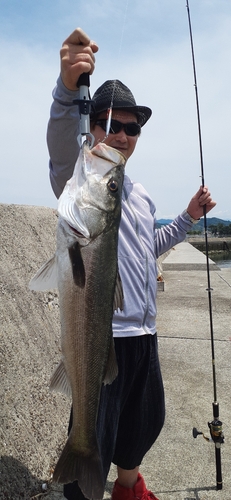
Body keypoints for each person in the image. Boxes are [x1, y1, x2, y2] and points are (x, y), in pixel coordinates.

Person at [47, 28, 216, 500]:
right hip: (104, 341)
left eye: (131, 127)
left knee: (144, 423)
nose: (121, 135)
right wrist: (66, 89)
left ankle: (128, 487)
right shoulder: (83, 182)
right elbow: (62, 155)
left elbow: (150, 245)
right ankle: (81, 488)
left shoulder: (134, 195)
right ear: (93, 130)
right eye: (110, 125)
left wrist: (187, 218)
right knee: (93, 429)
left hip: (145, 335)